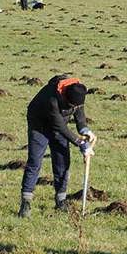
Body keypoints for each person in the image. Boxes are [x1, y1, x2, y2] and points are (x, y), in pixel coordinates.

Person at [18, 75, 95, 217]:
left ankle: (61, 200)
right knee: (35, 161)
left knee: (62, 161)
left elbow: (80, 118)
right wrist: (80, 143)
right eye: (71, 106)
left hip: (59, 126)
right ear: (65, 98)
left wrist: (85, 130)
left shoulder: (78, 94)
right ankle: (26, 203)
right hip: (39, 124)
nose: (74, 108)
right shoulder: (52, 98)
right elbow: (58, 125)